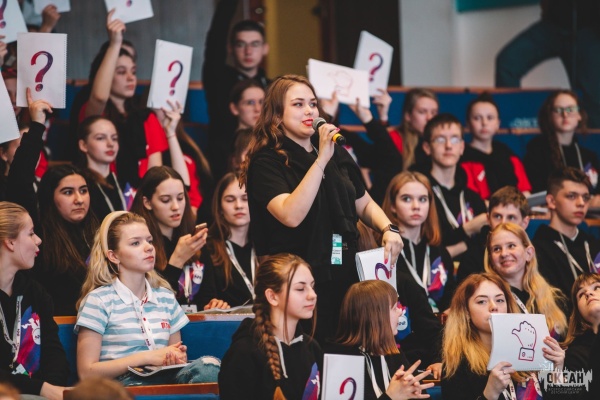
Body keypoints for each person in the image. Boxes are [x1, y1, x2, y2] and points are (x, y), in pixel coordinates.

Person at [240, 74, 403, 341]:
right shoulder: (266, 161)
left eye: (313, 104)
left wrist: (388, 228)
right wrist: (321, 160)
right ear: (277, 115)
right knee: (313, 350)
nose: (309, 110)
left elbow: (363, 201)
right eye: (298, 104)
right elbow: (290, 215)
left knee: (347, 347)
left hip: (343, 268)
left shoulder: (332, 151)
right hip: (299, 278)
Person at [75, 211, 219, 386]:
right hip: (120, 385)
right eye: (135, 243)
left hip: (164, 378)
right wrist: (147, 357)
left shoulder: (165, 296)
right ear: (114, 256)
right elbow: (86, 373)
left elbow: (177, 356)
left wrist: (174, 357)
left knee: (209, 367)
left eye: (149, 241)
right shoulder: (98, 300)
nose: (149, 247)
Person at [7, 89, 99, 316]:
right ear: (50, 197)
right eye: (68, 192)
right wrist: (37, 124)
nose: (79, 199)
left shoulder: (99, 232)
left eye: (83, 191)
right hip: (54, 327)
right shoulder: (39, 235)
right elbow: (20, 181)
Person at [83, 10, 188, 190]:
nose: (131, 77)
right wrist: (115, 43)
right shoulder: (97, 112)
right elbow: (99, 97)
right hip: (101, 190)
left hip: (139, 196)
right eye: (121, 72)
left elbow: (154, 177)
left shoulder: (146, 117)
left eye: (133, 71)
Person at [441, 273, 565, 399]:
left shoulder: (530, 350)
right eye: (482, 301)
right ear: (466, 312)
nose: (494, 307)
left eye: (499, 300)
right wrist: (490, 393)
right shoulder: (456, 365)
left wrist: (557, 372)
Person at [219, 253, 321, 399]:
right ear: (272, 296)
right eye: (300, 289)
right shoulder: (244, 353)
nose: (313, 295)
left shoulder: (312, 348)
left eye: (312, 286)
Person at [130, 166, 226, 311]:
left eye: (180, 198)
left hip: (196, 322)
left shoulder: (193, 239)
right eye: (165, 200)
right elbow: (150, 304)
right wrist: (177, 261)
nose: (176, 206)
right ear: (147, 203)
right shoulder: (140, 245)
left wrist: (213, 304)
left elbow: (208, 296)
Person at [0, 202, 69, 399]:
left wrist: (51, 390)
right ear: (10, 242)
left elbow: (54, 356)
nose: (38, 240)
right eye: (30, 233)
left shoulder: (35, 292)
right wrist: (41, 388)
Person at [495, 0, 600, 128]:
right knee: (507, 63)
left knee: (593, 99)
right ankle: (509, 125)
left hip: (589, 30)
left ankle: (592, 138)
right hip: (553, 24)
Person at [355, 221, 443, 374]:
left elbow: (433, 333)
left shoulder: (404, 284)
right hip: (363, 366)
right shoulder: (344, 290)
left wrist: (439, 361)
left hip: (408, 365)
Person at [324, 280, 434, 400]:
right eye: (394, 308)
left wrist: (415, 394)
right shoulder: (342, 362)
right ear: (376, 316)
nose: (400, 312)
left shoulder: (391, 353)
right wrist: (391, 396)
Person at [203, 0, 270, 182]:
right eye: (241, 44)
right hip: (223, 163)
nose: (248, 51)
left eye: (255, 44)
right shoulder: (219, 80)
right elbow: (215, 43)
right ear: (231, 48)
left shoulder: (272, 86)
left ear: (265, 48)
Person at [382, 171, 455, 313]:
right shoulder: (384, 249)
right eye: (407, 199)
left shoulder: (440, 252)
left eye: (422, 199)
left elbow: (450, 301)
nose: (416, 206)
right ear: (393, 206)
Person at [417, 113, 488, 259]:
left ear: (462, 147)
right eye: (440, 139)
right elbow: (428, 243)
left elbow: (486, 241)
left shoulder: (472, 197)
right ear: (427, 147)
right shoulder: (419, 195)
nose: (448, 146)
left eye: (455, 139)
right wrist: (468, 229)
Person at [484, 222, 568, 338]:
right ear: (491, 260)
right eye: (497, 249)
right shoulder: (488, 299)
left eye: (511, 246)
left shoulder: (554, 297)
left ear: (528, 253)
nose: (504, 254)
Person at [533, 167, 600, 299]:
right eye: (571, 196)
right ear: (551, 201)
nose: (581, 203)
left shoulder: (594, 244)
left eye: (585, 197)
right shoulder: (537, 250)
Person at [524, 90, 599, 195]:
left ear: (579, 115)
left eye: (571, 109)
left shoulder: (588, 157)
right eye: (558, 110)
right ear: (550, 116)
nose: (565, 114)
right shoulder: (536, 152)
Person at [461, 92, 531, 200]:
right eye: (477, 118)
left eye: (490, 118)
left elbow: (524, 192)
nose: (484, 123)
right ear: (468, 123)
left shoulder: (507, 155)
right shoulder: (462, 157)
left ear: (498, 123)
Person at [200, 172, 256, 307]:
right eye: (230, 200)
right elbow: (204, 301)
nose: (239, 205)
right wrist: (213, 305)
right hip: (228, 320)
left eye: (245, 198)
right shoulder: (207, 248)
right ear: (219, 207)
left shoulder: (266, 247)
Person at [457, 186, 531, 284]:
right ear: (488, 219)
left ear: (525, 223)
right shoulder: (471, 258)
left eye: (511, 217)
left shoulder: (534, 253)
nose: (503, 223)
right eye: (497, 216)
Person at [76, 116, 126, 221]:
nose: (110, 144)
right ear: (83, 145)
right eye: (100, 138)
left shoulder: (123, 181)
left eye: (114, 138)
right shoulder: (80, 185)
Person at [563, 272, 600, 399]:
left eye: (596, 287)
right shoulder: (575, 355)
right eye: (581, 295)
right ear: (578, 314)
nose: (588, 293)